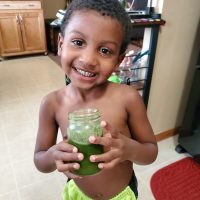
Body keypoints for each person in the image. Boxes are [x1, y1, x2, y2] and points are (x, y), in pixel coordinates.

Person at [34, 0, 158, 199]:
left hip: (122, 194)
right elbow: (40, 161)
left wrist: (128, 150)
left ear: (118, 60)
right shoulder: (51, 104)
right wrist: (52, 155)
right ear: (60, 44)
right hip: (78, 193)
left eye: (105, 51)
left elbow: (150, 152)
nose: (88, 60)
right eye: (78, 42)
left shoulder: (128, 98)